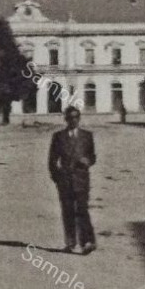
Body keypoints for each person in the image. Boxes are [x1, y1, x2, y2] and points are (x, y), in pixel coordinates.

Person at [48, 105, 96, 254]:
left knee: (82, 209)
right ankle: (70, 242)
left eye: (76, 117)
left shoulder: (87, 136)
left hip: (81, 180)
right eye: (70, 118)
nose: (73, 120)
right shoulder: (58, 137)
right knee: (67, 211)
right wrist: (57, 178)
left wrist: (88, 161)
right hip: (65, 180)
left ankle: (87, 242)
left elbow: (92, 156)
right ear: (66, 119)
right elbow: (52, 161)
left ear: (79, 118)